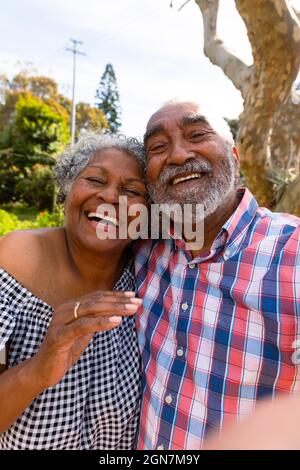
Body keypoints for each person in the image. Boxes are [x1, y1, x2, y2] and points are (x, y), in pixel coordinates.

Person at [135, 100, 300, 450]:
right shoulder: (143, 250)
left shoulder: (293, 254)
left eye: (197, 134)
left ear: (235, 156)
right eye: (158, 147)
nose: (178, 155)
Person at [0, 132, 146, 450]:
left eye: (131, 190)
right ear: (67, 189)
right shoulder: (12, 261)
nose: (110, 196)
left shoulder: (148, 279)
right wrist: (38, 370)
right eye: (95, 179)